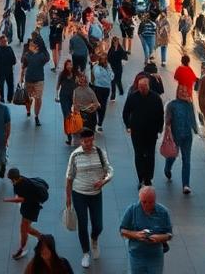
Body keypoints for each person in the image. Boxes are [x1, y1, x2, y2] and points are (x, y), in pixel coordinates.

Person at [65, 128, 114, 269]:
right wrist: (68, 198)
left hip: (95, 194)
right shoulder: (75, 155)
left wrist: (104, 181)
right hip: (79, 193)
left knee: (98, 225)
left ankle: (94, 239)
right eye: (85, 141)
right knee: (83, 223)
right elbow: (69, 177)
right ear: (81, 141)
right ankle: (86, 253)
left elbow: (110, 170)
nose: (88, 143)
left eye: (91, 140)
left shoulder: (99, 152)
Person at [119, 186, 175, 274]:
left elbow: (169, 234)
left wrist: (159, 237)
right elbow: (122, 230)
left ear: (155, 200)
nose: (147, 205)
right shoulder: (132, 210)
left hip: (155, 256)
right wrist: (136, 235)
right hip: (136, 255)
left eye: (151, 202)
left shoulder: (163, 212)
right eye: (144, 202)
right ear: (140, 199)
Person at [122, 75, 165, 186]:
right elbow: (125, 112)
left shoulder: (156, 98)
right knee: (139, 154)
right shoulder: (133, 97)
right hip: (137, 132)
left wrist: (159, 128)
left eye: (144, 86)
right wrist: (128, 125)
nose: (142, 89)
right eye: (140, 86)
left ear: (148, 86)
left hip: (151, 132)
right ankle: (141, 176)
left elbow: (161, 114)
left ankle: (148, 177)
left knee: (150, 155)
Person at [5, 167, 50, 260]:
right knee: (25, 228)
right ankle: (40, 238)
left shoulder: (19, 186)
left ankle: (23, 248)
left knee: (24, 229)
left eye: (10, 179)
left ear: (13, 179)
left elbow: (21, 199)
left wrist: (8, 200)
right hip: (31, 206)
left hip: (30, 208)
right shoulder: (22, 178)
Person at [164, 84, 197, 193]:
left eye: (185, 90)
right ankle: (167, 168)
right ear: (177, 92)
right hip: (175, 135)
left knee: (186, 159)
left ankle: (186, 185)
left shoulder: (190, 104)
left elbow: (193, 118)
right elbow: (167, 120)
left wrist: (196, 129)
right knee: (172, 155)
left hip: (187, 136)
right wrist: (168, 131)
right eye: (181, 90)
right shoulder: (172, 105)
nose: (183, 92)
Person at [21, 38, 50, 126]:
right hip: (29, 80)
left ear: (36, 46)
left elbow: (48, 58)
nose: (31, 46)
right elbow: (23, 66)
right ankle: (28, 110)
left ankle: (36, 116)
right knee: (27, 99)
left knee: (38, 98)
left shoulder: (41, 55)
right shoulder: (26, 55)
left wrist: (44, 48)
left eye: (32, 44)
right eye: (30, 45)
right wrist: (21, 77)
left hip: (39, 80)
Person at [57, 59, 79, 145]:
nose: (69, 66)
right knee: (67, 115)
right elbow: (58, 85)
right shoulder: (62, 74)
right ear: (65, 66)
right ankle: (69, 135)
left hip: (72, 96)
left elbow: (80, 82)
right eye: (68, 65)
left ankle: (72, 130)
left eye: (71, 65)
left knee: (71, 114)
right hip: (64, 96)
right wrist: (56, 95)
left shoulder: (75, 74)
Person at [90, 53, 114, 131]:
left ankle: (100, 123)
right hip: (97, 88)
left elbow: (112, 76)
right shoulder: (96, 66)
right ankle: (95, 122)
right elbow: (94, 76)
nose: (104, 61)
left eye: (105, 59)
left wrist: (107, 69)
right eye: (102, 59)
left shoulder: (108, 67)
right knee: (97, 105)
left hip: (106, 89)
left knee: (103, 106)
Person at [0, 34, 18, 102]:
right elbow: (14, 61)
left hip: (4, 71)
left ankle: (7, 99)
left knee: (6, 85)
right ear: (0, 42)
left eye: (5, 41)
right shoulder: (7, 49)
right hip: (3, 71)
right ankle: (5, 99)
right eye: (3, 41)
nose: (4, 42)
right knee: (6, 85)